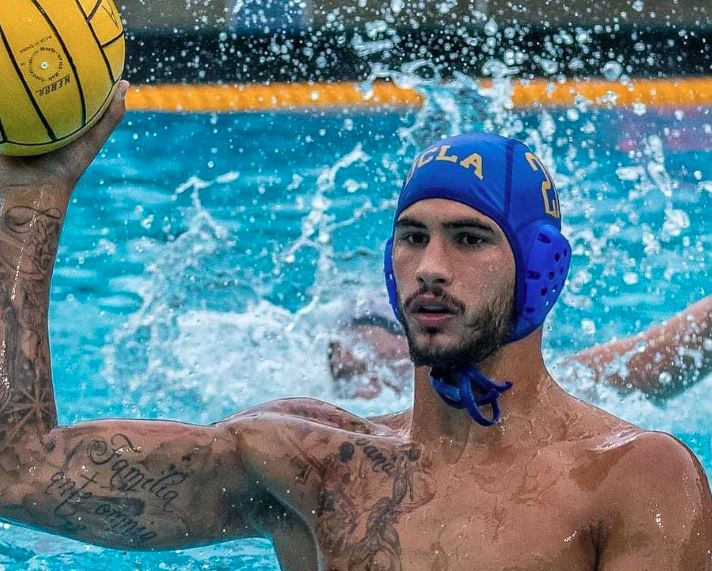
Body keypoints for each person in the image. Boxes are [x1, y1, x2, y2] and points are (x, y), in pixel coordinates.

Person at [0, 81, 710, 569]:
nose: (430, 266)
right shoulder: (311, 467)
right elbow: (18, 471)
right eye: (412, 237)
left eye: (469, 239)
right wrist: (33, 196)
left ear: (541, 268)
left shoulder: (631, 479)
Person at [328, 292, 712, 400]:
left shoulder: (529, 388)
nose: (366, 390)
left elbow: (650, 360)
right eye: (347, 377)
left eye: (379, 365)